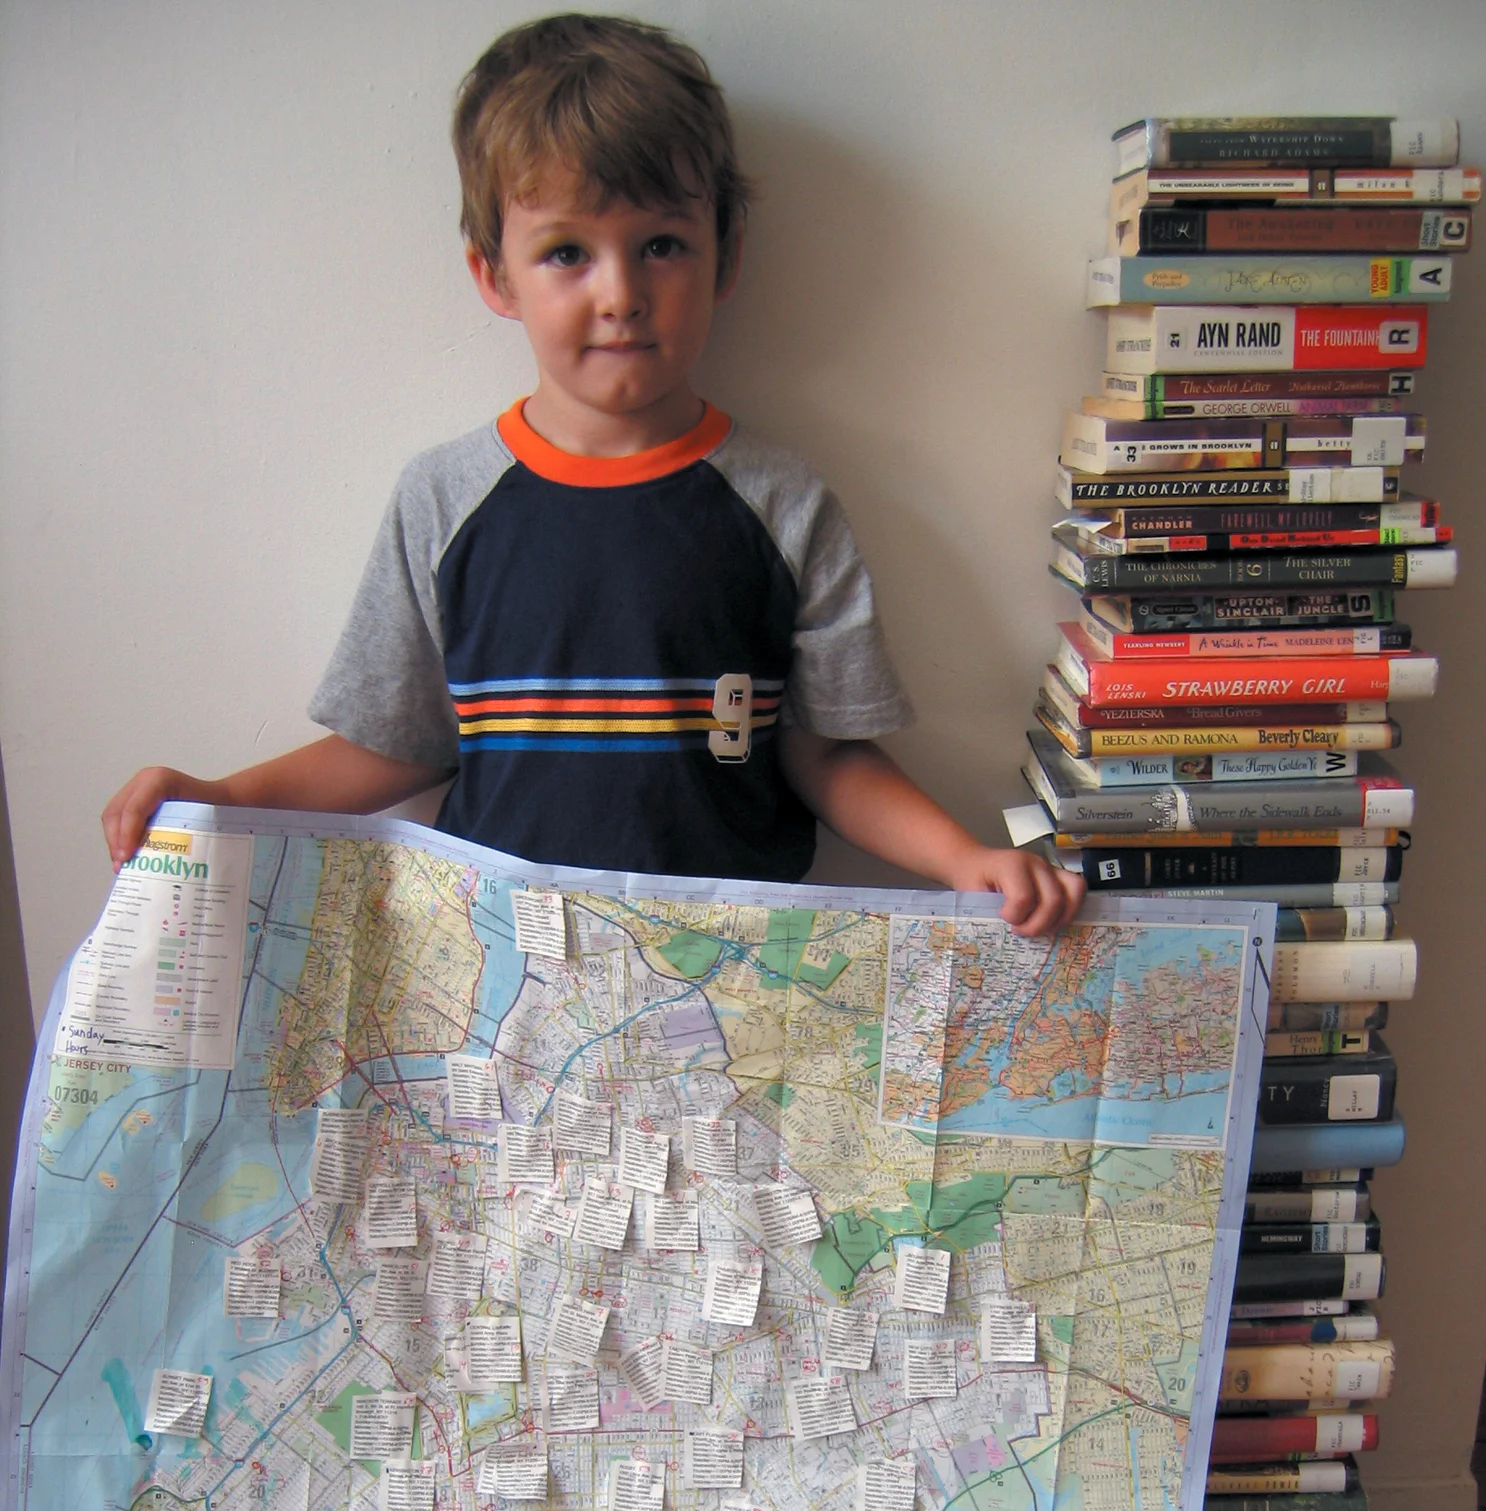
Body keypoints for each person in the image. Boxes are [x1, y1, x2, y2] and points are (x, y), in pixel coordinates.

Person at [101, 14, 1083, 939]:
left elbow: (825, 754)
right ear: (494, 276)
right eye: (567, 252)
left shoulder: (784, 505)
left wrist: (962, 856)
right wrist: (224, 800)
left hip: (733, 984)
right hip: (504, 985)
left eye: (661, 245)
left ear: (724, 255)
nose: (621, 294)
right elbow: (393, 746)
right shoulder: (443, 502)